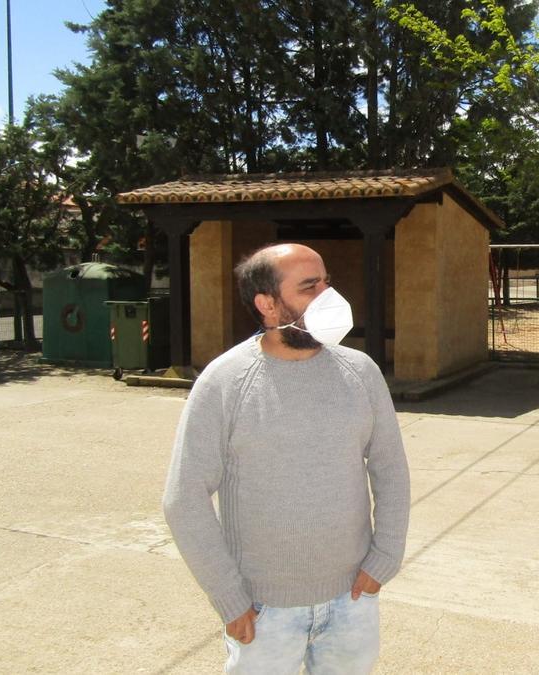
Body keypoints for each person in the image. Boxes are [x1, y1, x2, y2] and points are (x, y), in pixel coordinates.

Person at [163, 243, 410, 674]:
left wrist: (383, 559)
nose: (328, 296)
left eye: (327, 282)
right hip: (262, 612)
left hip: (352, 599)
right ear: (268, 304)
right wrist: (229, 597)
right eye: (310, 287)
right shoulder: (224, 381)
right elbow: (184, 498)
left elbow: (390, 471)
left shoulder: (362, 372)